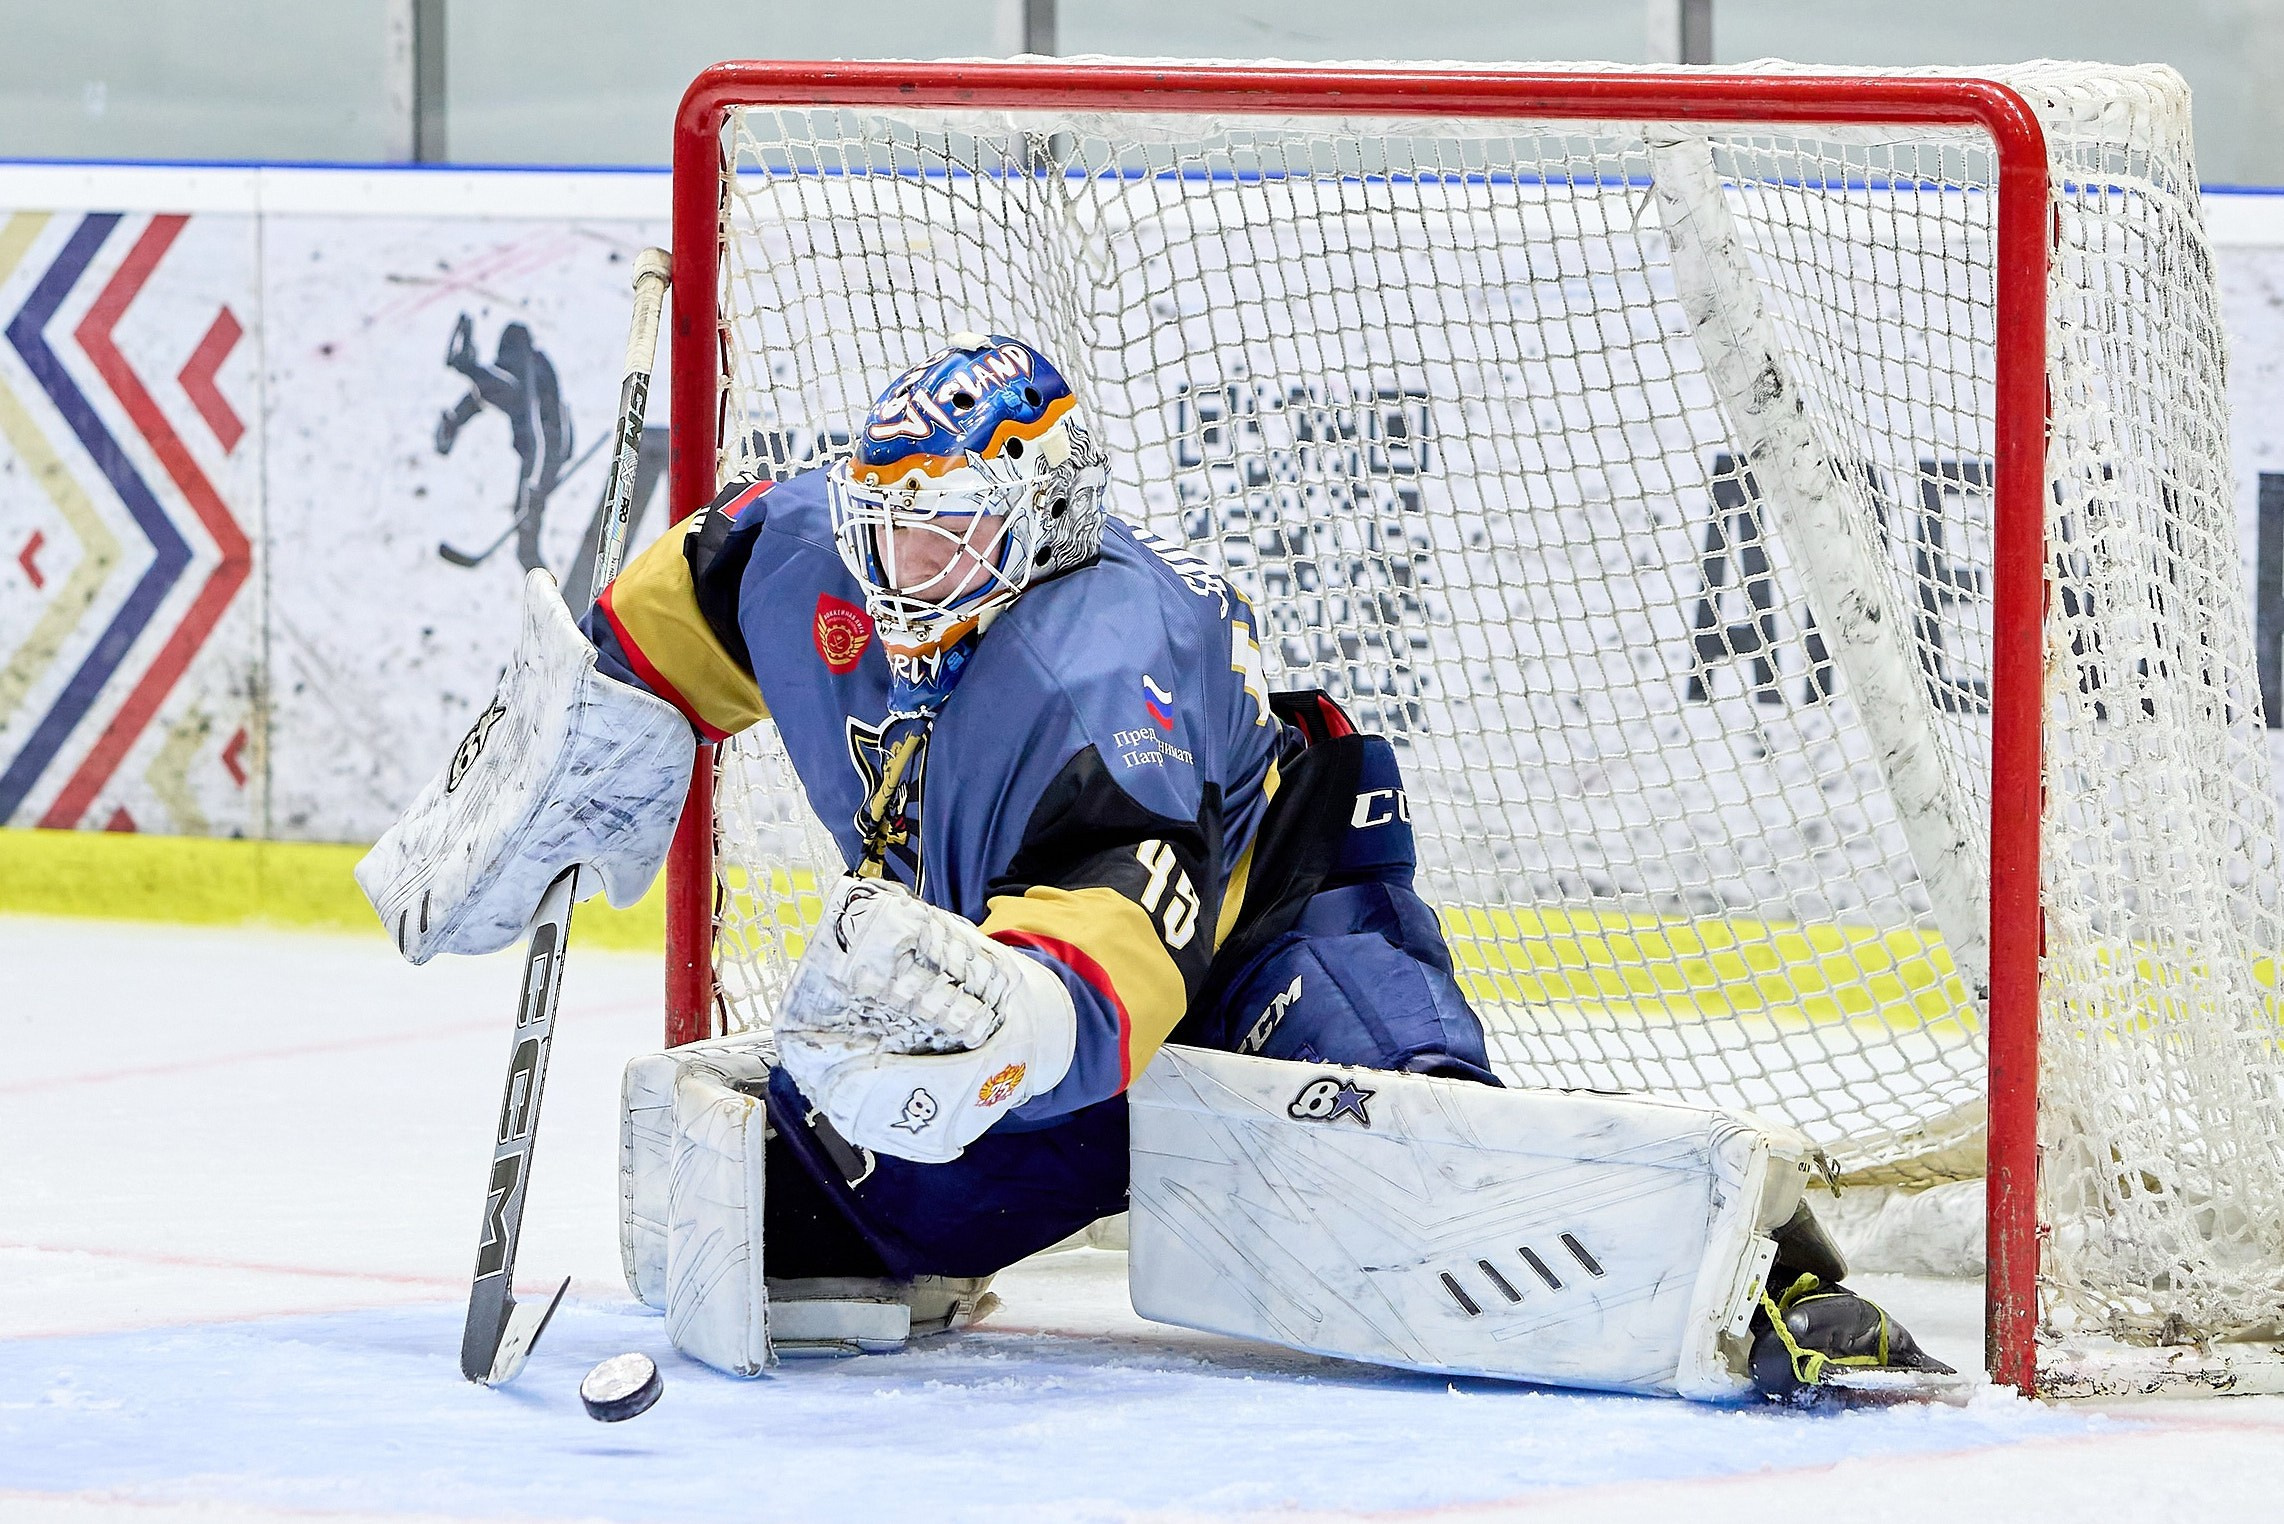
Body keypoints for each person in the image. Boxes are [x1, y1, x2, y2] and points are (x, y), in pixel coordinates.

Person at [361, 333, 1944, 1401]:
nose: (900, 564)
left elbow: (1123, 947)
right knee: (802, 1224)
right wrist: (567, 755)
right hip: (1022, 937)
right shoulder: (810, 550)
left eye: (947, 531)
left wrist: (1016, 1035)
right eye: (885, 524)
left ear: (1043, 515)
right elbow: (668, 613)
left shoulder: (1104, 665)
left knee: (1417, 1170)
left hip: (1265, 910)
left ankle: (1770, 1281)